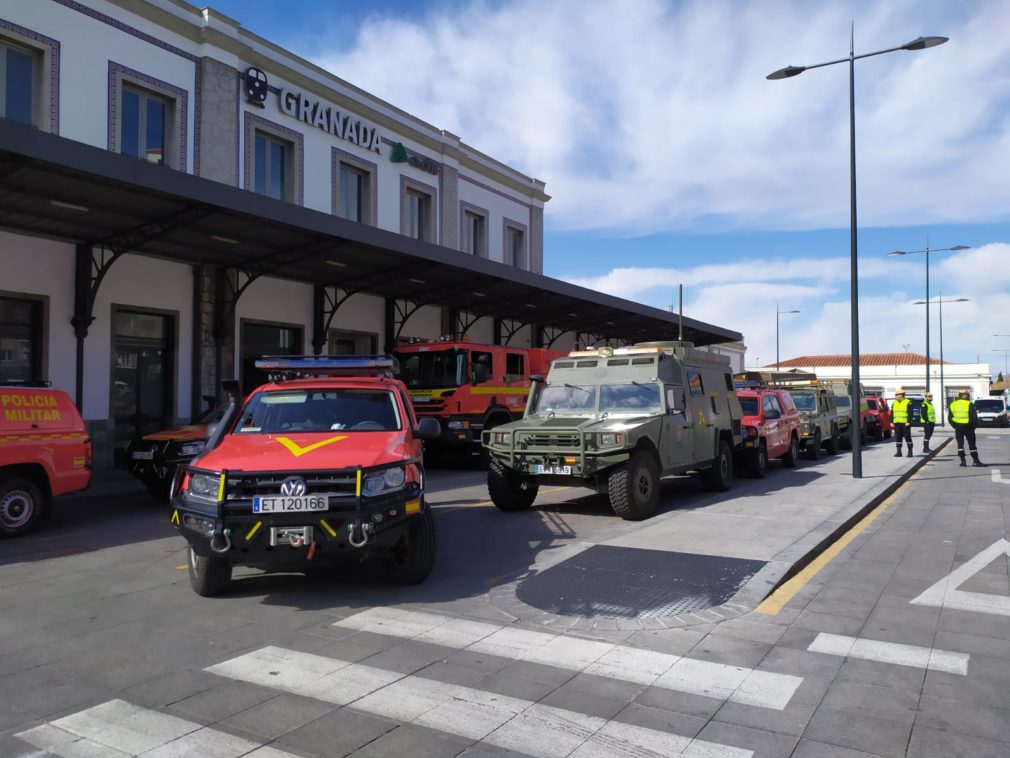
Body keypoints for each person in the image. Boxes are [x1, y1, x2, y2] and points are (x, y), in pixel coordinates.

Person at [949, 389, 983, 467]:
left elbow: (950, 418)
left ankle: (963, 462)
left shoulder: (953, 404)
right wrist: (974, 426)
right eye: (966, 394)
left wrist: (955, 425)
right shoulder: (969, 404)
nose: (967, 396)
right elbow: (974, 417)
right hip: (968, 427)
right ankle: (975, 461)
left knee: (960, 444)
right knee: (972, 444)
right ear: (964, 396)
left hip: (958, 427)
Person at [890, 388, 912, 457]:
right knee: (898, 437)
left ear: (901, 395)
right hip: (897, 423)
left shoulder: (908, 402)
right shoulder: (894, 403)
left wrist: (908, 421)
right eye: (896, 395)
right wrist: (891, 421)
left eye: (897, 395)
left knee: (907, 437)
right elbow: (892, 413)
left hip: (905, 423)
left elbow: (910, 413)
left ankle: (910, 452)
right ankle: (899, 452)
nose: (896, 396)